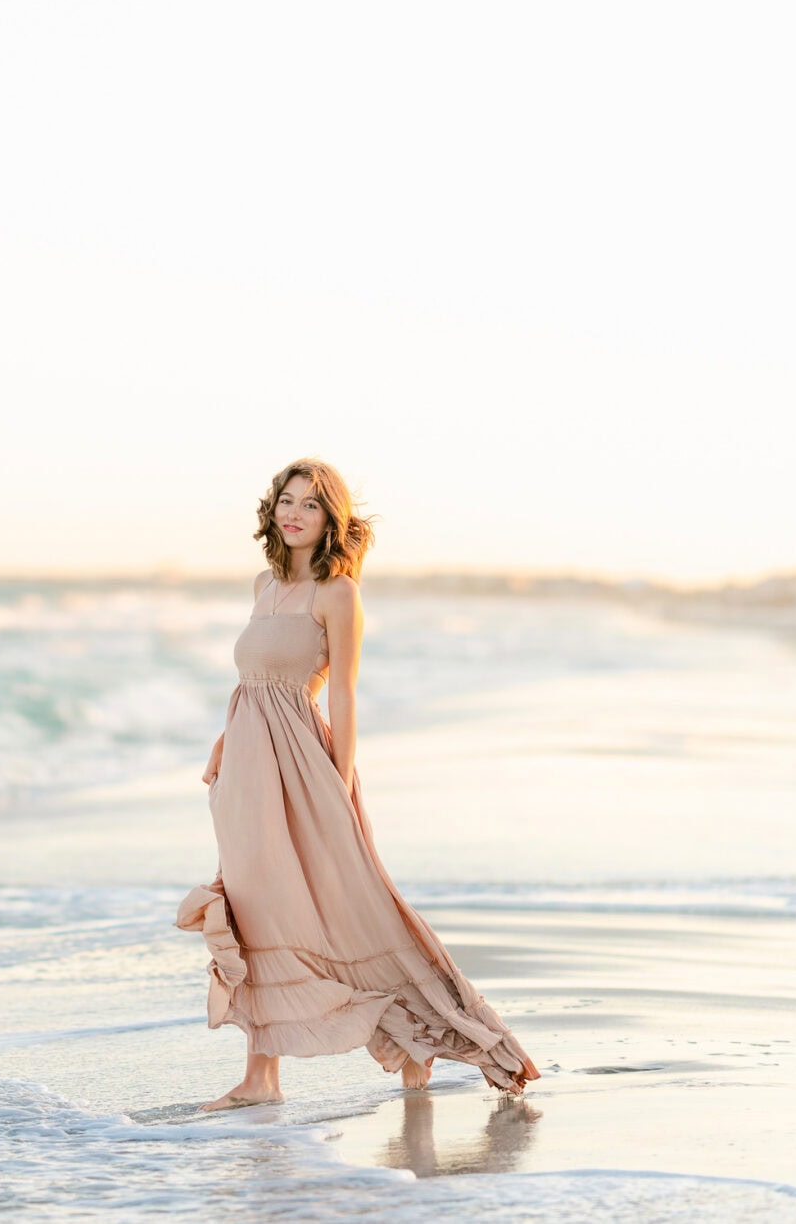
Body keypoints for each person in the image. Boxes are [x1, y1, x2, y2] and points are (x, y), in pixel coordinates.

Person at [179, 458, 540, 1111]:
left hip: (303, 771)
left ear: (330, 520)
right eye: (286, 501)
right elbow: (253, 684)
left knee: (354, 906)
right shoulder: (263, 584)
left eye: (310, 505)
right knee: (257, 914)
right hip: (247, 773)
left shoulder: (337, 594)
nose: (294, 513)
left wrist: (338, 785)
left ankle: (442, 1034)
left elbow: (339, 694)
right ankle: (262, 1078)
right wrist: (224, 742)